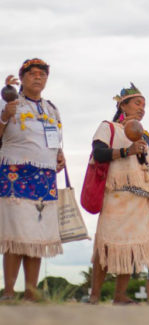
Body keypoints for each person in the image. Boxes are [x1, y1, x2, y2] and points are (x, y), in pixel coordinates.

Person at [89, 83, 149, 305]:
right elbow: (99, 153)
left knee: (131, 247)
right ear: (123, 105)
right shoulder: (109, 127)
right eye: (138, 103)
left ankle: (120, 295)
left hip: (141, 200)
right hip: (117, 195)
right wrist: (125, 151)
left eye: (144, 105)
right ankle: (94, 295)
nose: (142, 108)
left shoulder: (146, 138)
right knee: (106, 244)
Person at [0, 59, 65, 301]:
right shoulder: (9, 102)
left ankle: (30, 292)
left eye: (42, 74)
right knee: (15, 233)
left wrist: (59, 155)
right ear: (23, 77)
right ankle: (8, 292)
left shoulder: (51, 108)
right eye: (33, 74)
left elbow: (55, 140)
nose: (38, 78)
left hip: (45, 175)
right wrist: (5, 117)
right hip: (15, 171)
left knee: (36, 236)